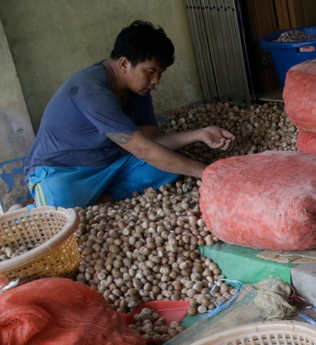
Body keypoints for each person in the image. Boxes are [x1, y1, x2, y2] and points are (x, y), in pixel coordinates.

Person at [24, 21, 235, 208]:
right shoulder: (92, 90)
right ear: (124, 64)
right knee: (60, 202)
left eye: (160, 73)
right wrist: (207, 173)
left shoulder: (138, 90)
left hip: (112, 165)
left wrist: (199, 134)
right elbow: (144, 150)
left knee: (168, 168)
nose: (156, 81)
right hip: (64, 172)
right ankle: (26, 213)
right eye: (150, 72)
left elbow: (152, 141)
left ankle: (97, 200)